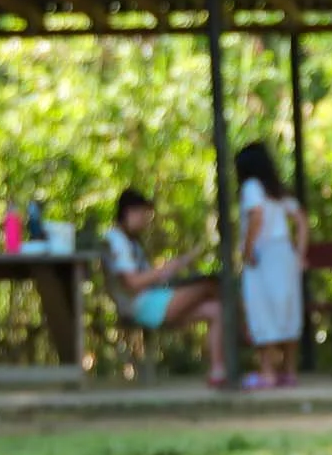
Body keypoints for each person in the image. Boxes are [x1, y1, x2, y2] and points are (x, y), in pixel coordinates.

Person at [100, 188, 227, 388]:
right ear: (130, 212)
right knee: (208, 286)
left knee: (216, 310)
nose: (145, 222)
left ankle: (219, 371)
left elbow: (148, 278)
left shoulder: (132, 242)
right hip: (139, 305)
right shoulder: (116, 240)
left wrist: (177, 265)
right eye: (143, 215)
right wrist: (162, 270)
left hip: (153, 299)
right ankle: (248, 333)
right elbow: (132, 283)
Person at [234, 142, 308, 390]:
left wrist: (247, 249)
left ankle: (267, 372)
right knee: (287, 308)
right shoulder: (277, 191)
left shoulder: (251, 187)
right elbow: (301, 221)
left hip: (263, 253)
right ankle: (289, 370)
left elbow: (256, 216)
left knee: (262, 309)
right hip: (284, 253)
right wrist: (299, 254)